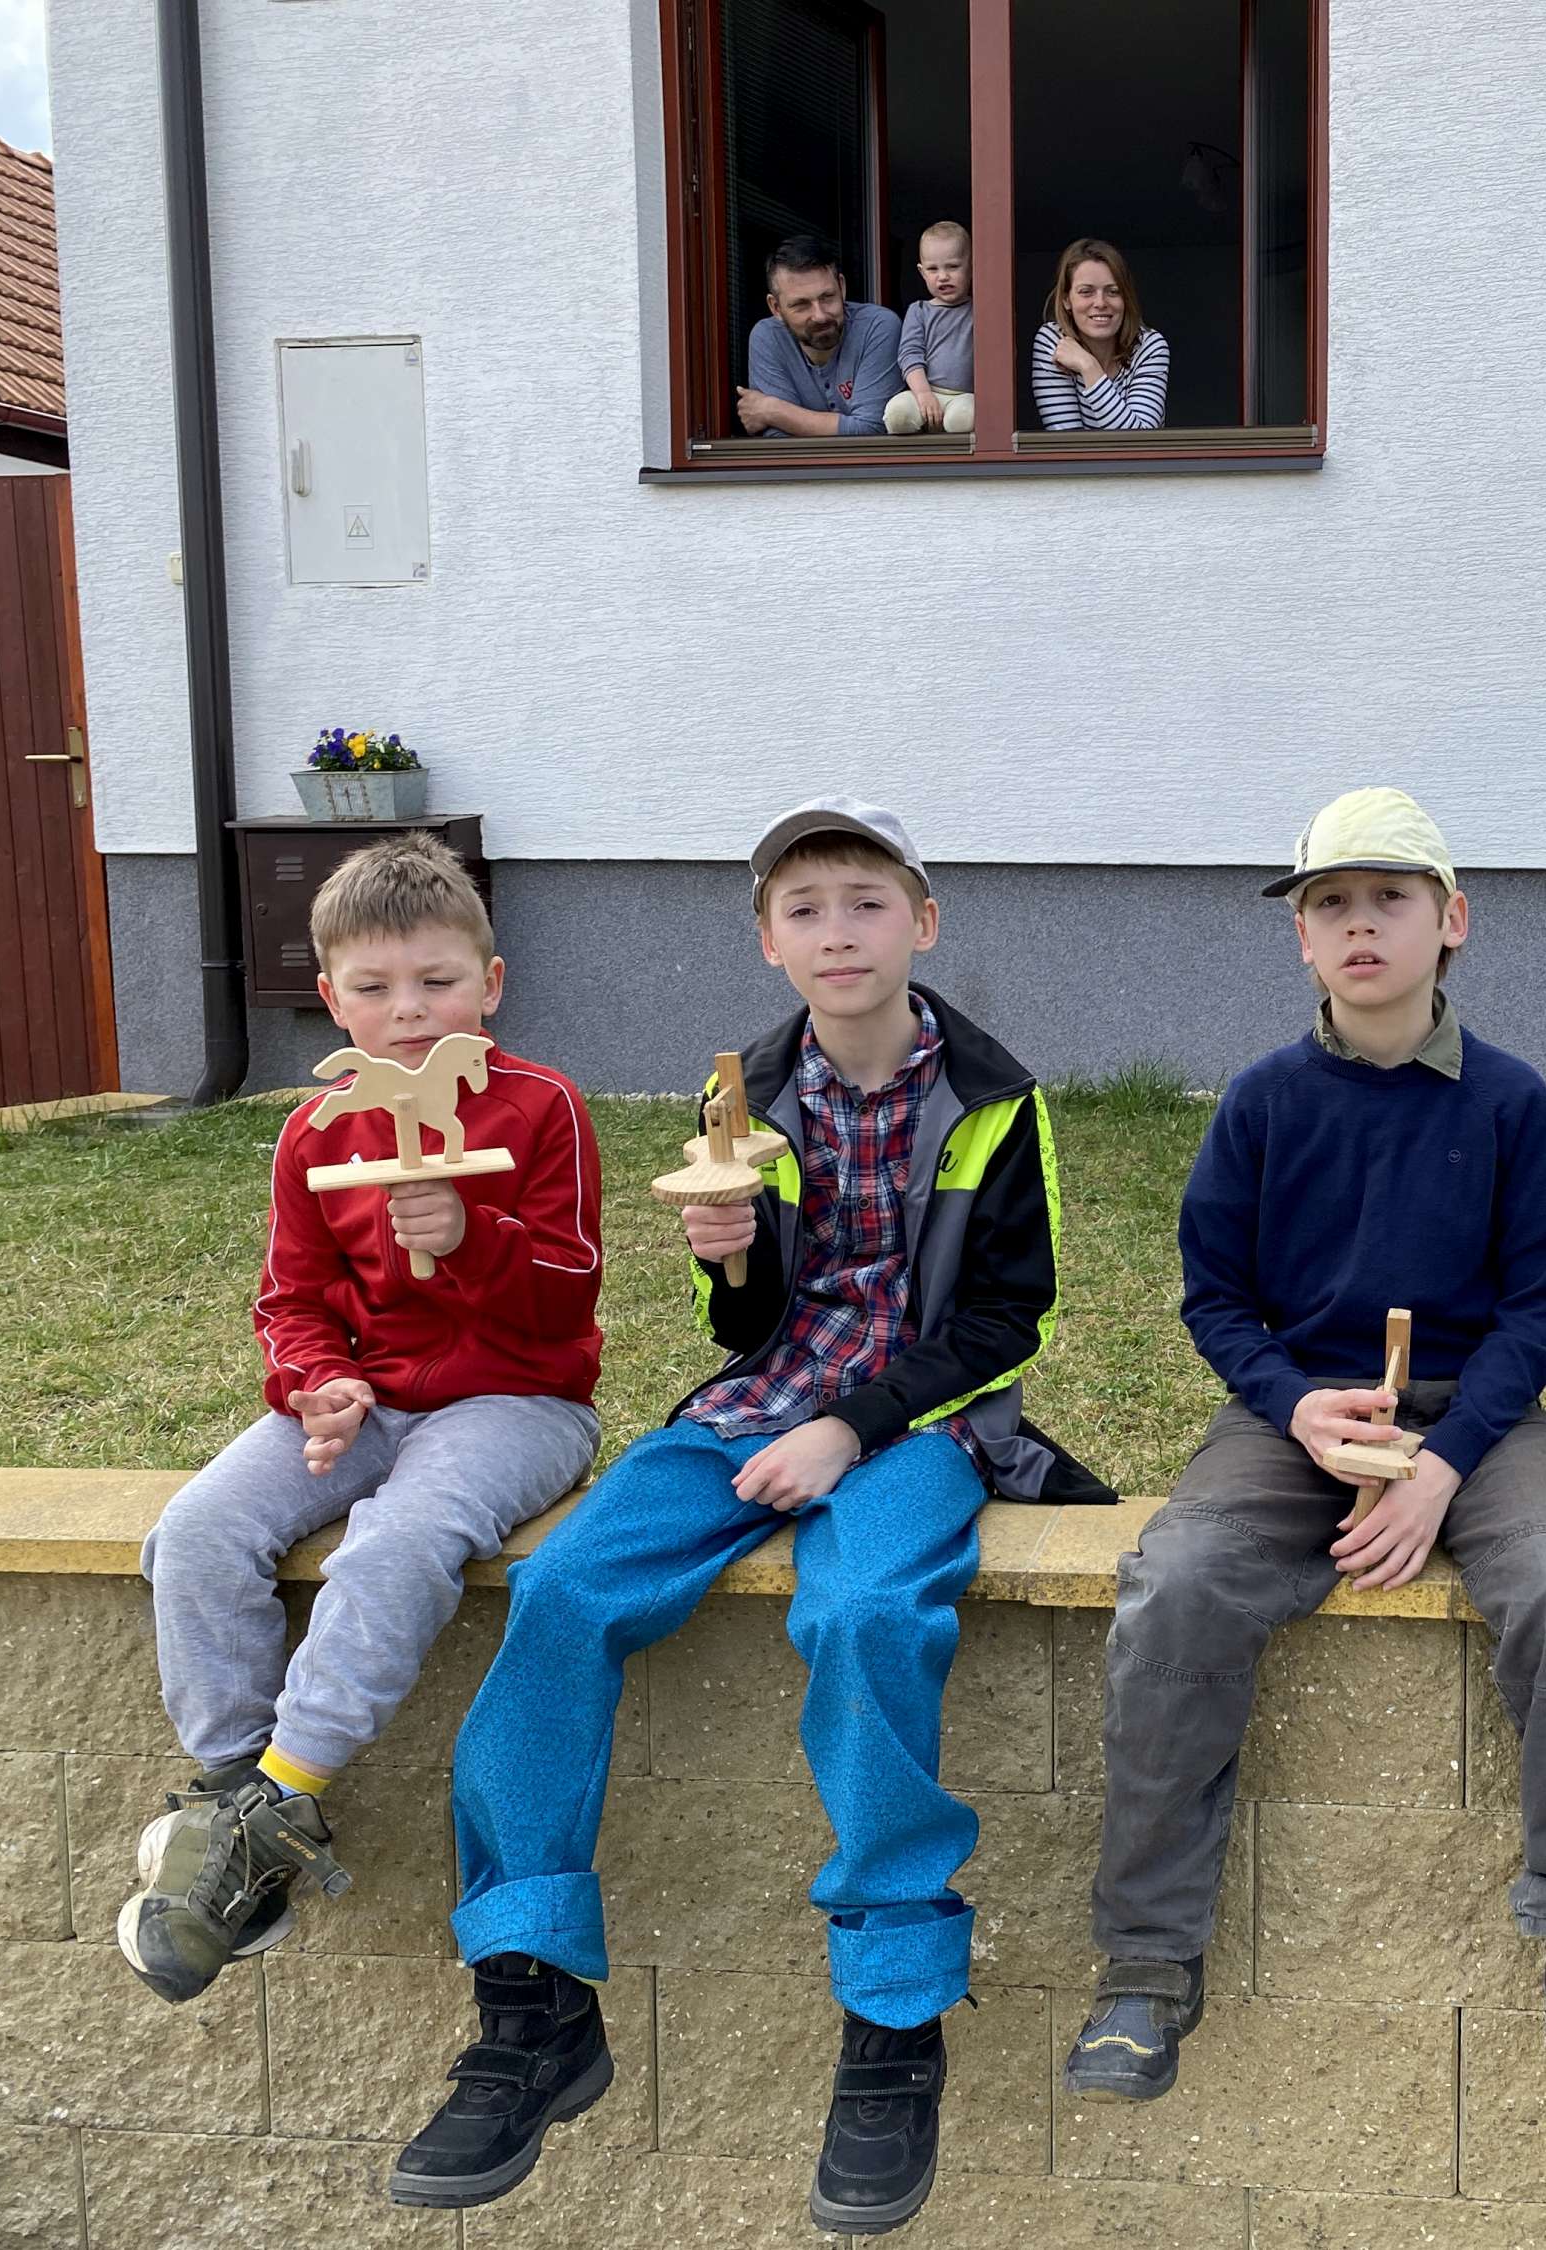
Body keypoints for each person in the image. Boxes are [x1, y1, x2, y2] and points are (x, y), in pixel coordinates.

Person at [392, 797, 1112, 2233]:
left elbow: (1008, 1319)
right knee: (563, 1590)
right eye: (804, 908)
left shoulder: (995, 1095)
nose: (838, 932)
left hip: (917, 1418)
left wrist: (851, 1429)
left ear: (923, 921)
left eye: (866, 901)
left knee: (863, 1608)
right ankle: (531, 1997)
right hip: (755, 1401)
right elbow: (748, 1323)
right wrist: (729, 1261)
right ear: (767, 940)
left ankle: (895, 2011)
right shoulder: (745, 1092)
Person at [1067, 787, 1546, 2174]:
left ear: (1450, 920)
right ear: (1301, 938)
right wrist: (1296, 1405)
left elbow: (1542, 1308)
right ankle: (1149, 1954)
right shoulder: (1264, 1102)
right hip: (1298, 1418)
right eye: (1329, 905)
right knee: (1177, 1582)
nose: (1359, 926)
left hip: (1479, 1423)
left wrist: (1441, 1470)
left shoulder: (1509, 1101)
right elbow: (1215, 1297)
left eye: (1389, 900)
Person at [122, 835, 602, 2004]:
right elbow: (290, 1300)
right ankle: (240, 1806)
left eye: (438, 982)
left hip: (519, 1400)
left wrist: (470, 1238)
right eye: (375, 989)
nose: (409, 1011)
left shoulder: (542, 1108)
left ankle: (288, 1791)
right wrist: (317, 1384)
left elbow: (568, 1291)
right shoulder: (313, 1133)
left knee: (397, 1543)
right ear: (332, 1002)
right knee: (197, 1531)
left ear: (491, 985)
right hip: (368, 1399)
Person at [739, 235, 904, 437]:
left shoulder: (877, 326)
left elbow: (871, 430)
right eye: (801, 305)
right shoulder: (767, 338)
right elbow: (779, 442)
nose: (820, 316)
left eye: (827, 297)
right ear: (776, 308)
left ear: (841, 287)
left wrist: (773, 410)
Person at [1029, 237, 1169, 431]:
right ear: (1066, 300)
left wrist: (1089, 367)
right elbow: (1067, 440)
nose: (1101, 303)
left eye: (1113, 292)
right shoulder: (1053, 341)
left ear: (1125, 299)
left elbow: (1139, 440)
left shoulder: (1149, 346)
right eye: (1086, 292)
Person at [883, 220, 976, 436]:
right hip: (923, 392)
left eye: (952, 266)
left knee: (962, 420)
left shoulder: (979, 311)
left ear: (971, 266)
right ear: (922, 272)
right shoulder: (919, 311)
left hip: (964, 396)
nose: (942, 276)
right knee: (897, 415)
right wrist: (924, 395)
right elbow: (909, 355)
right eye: (933, 269)